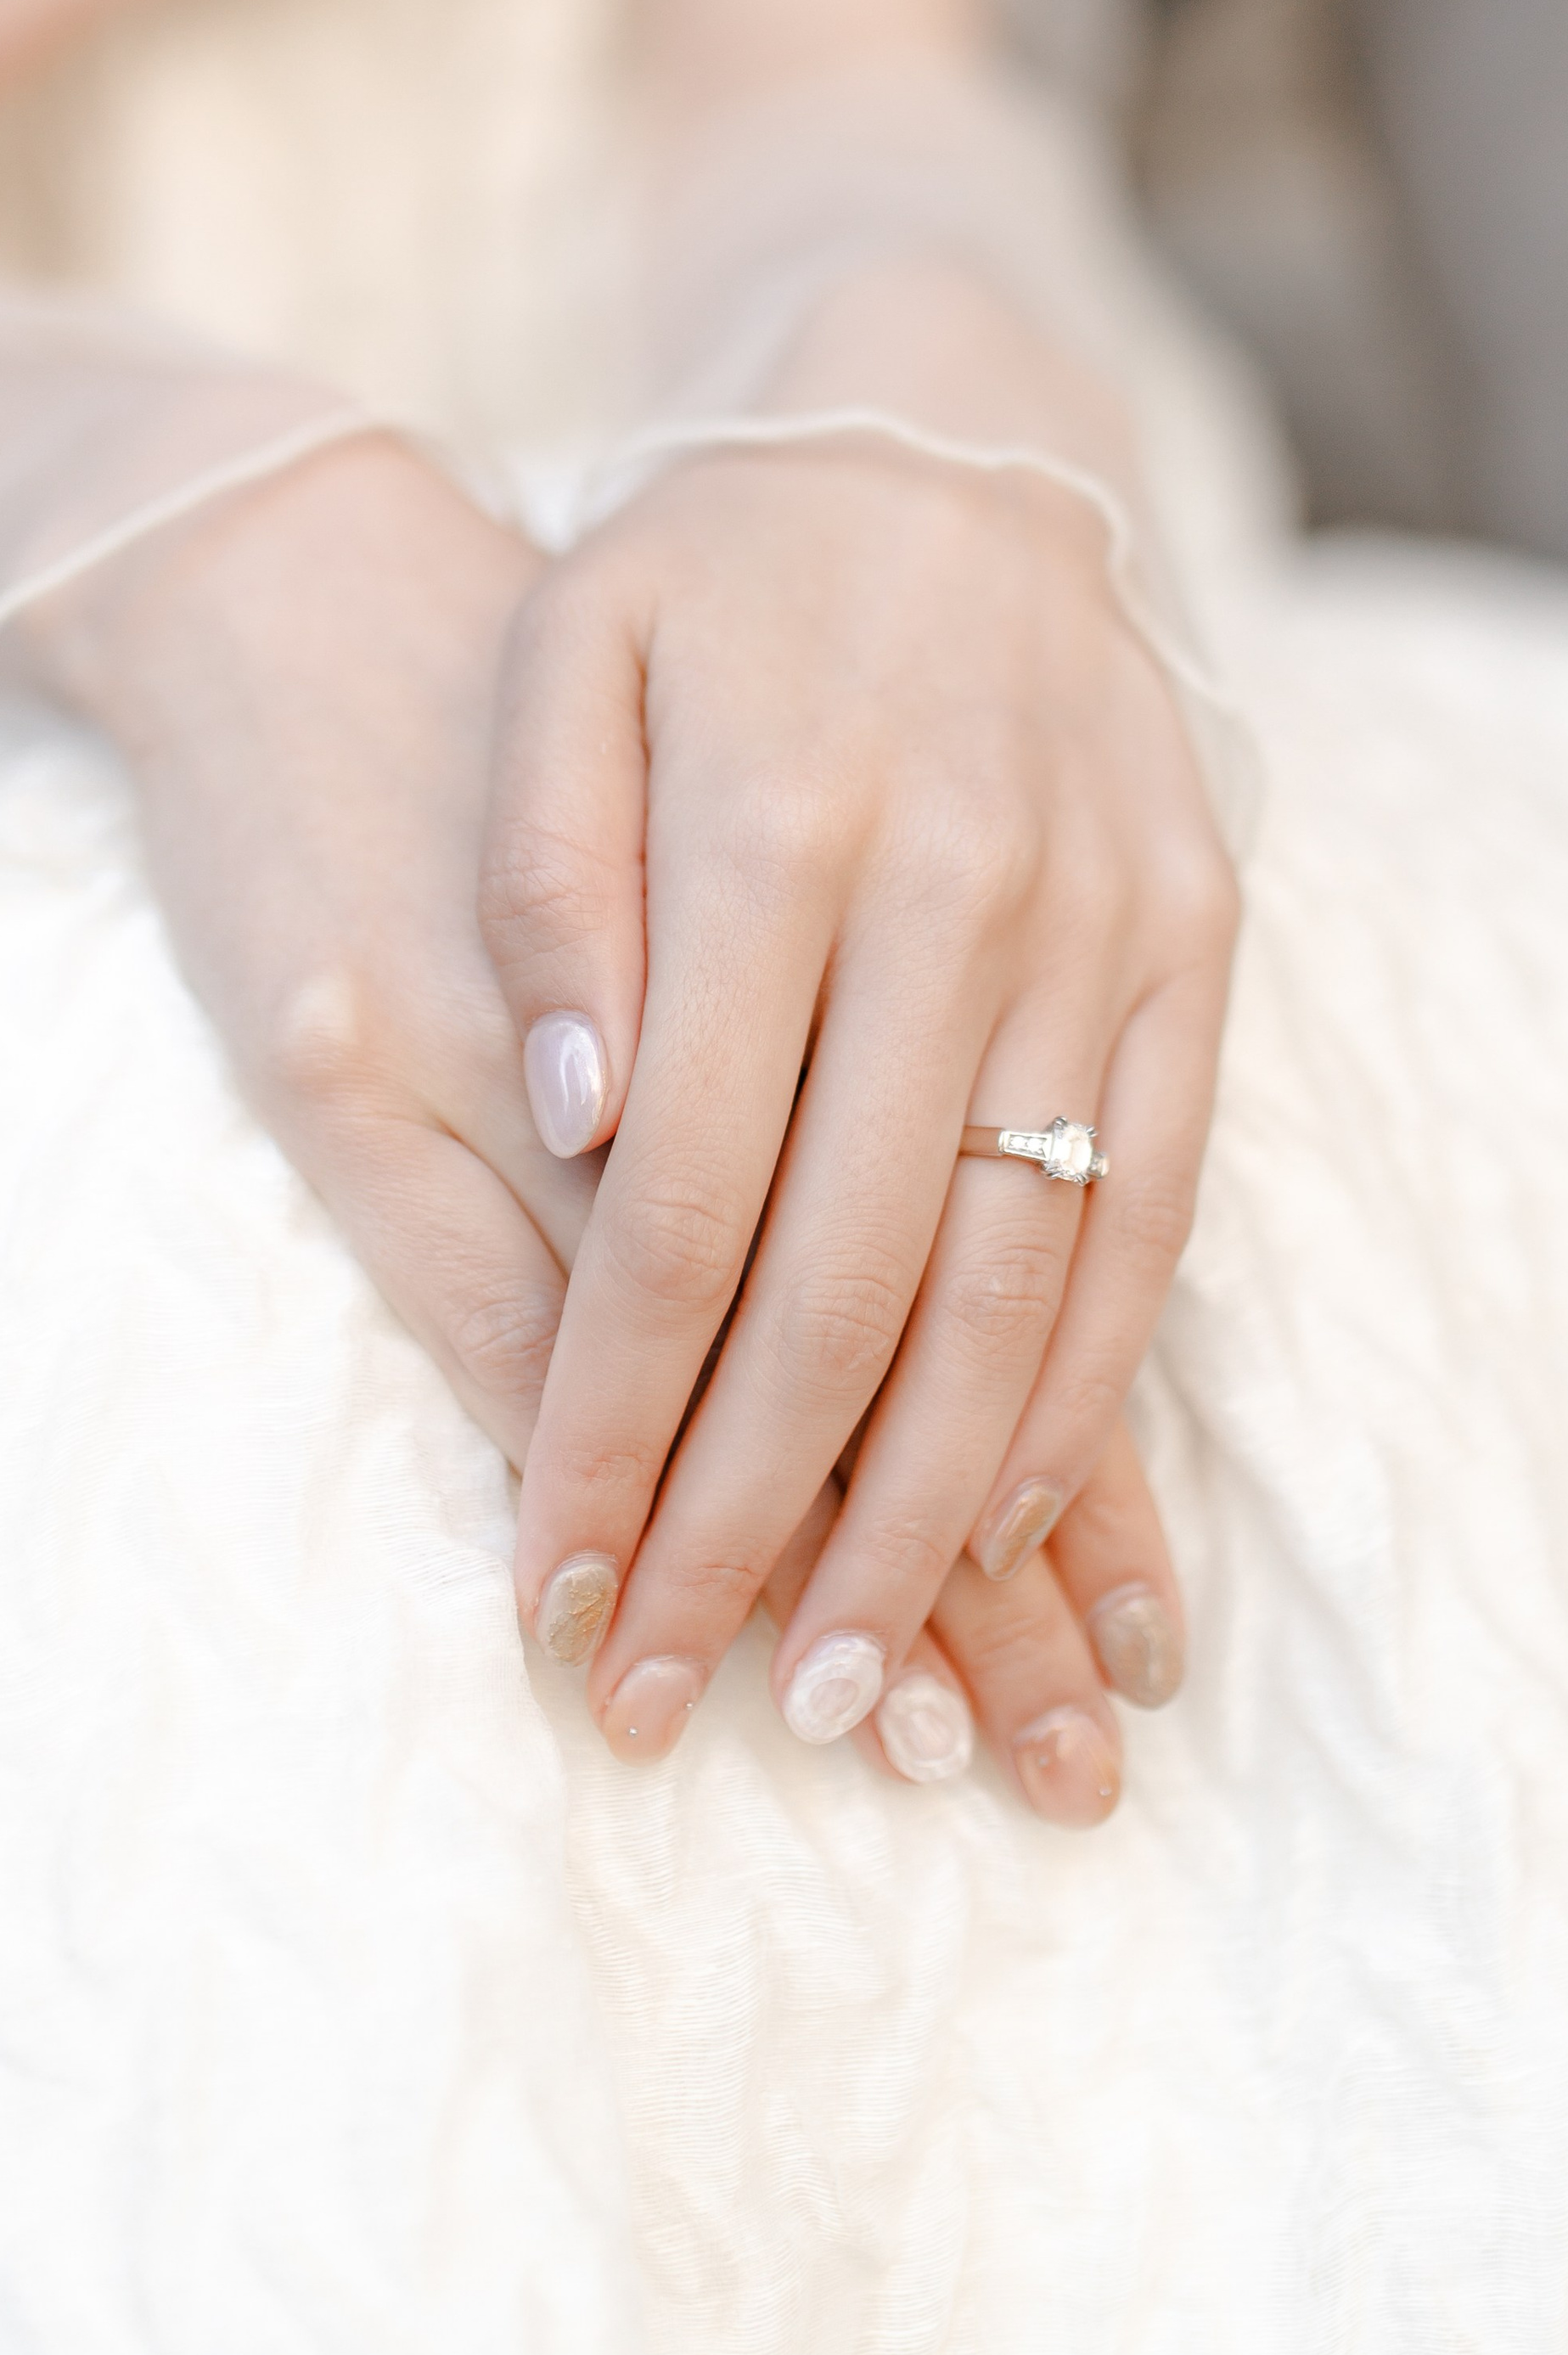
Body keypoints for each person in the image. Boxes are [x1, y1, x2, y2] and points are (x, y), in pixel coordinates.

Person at [2, 0, 1565, 2344]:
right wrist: (192, 506)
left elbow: (824, 76)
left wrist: (916, 410)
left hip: (879, 459)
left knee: (1229, 1122)